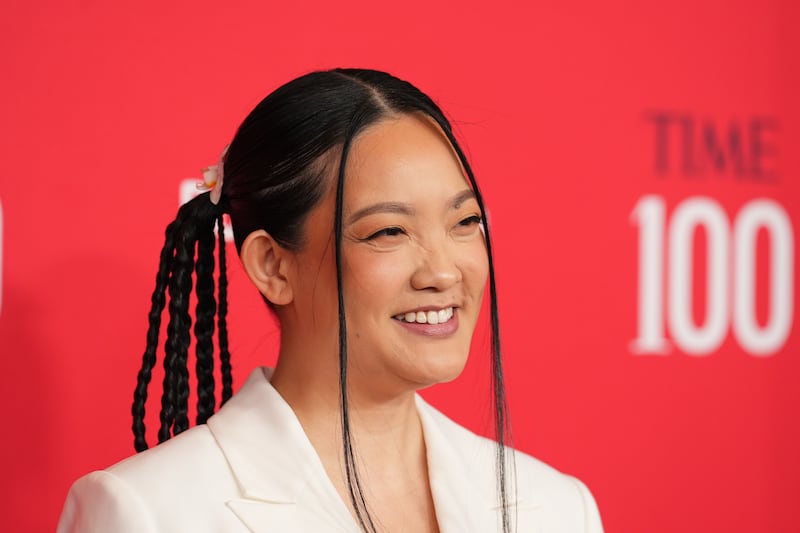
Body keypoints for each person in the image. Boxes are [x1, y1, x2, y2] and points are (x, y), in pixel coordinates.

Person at [57, 68, 603, 533]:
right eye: (389, 231)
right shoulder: (148, 512)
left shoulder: (555, 508)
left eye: (465, 222)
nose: (443, 270)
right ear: (272, 265)